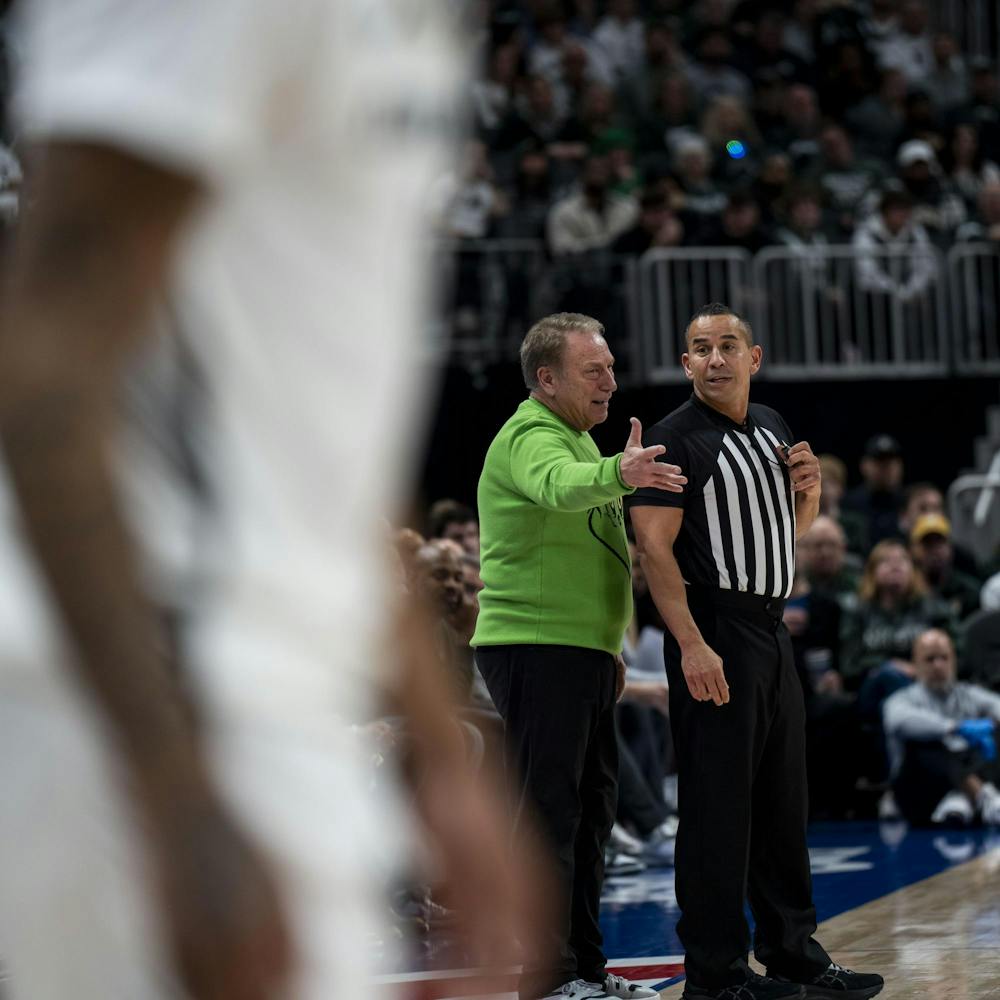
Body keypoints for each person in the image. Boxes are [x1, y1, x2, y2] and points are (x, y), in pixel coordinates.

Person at [0, 3, 544, 999]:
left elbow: (312, 436)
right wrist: (175, 795)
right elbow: (48, 371)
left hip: (276, 693)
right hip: (162, 702)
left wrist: (443, 761)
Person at [629, 302, 883, 1000]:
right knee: (716, 809)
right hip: (716, 627)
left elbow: (784, 533)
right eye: (701, 348)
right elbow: (653, 549)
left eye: (727, 345)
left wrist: (811, 495)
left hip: (773, 630)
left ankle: (794, 952)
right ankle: (714, 975)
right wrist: (691, 645)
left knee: (781, 803)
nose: (714, 358)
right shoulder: (673, 438)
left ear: (754, 357)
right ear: (686, 363)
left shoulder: (772, 427)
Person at [472, 312, 687, 1000]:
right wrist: (619, 471)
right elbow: (559, 488)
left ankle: (585, 972)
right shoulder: (532, 436)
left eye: (611, 368)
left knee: (593, 813)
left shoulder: (572, 441)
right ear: (547, 378)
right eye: (593, 370)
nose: (611, 382)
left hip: (579, 653)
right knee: (550, 815)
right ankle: (548, 977)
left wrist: (606, 648)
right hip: (536, 647)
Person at [883, 629, 1000, 826]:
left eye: (944, 658)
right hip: (922, 791)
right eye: (930, 659)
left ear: (953, 661)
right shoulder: (901, 699)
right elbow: (897, 719)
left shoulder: (968, 694)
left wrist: (991, 725)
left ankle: (961, 800)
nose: (938, 665)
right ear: (916, 664)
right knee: (926, 743)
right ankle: (981, 796)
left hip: (969, 772)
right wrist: (955, 727)